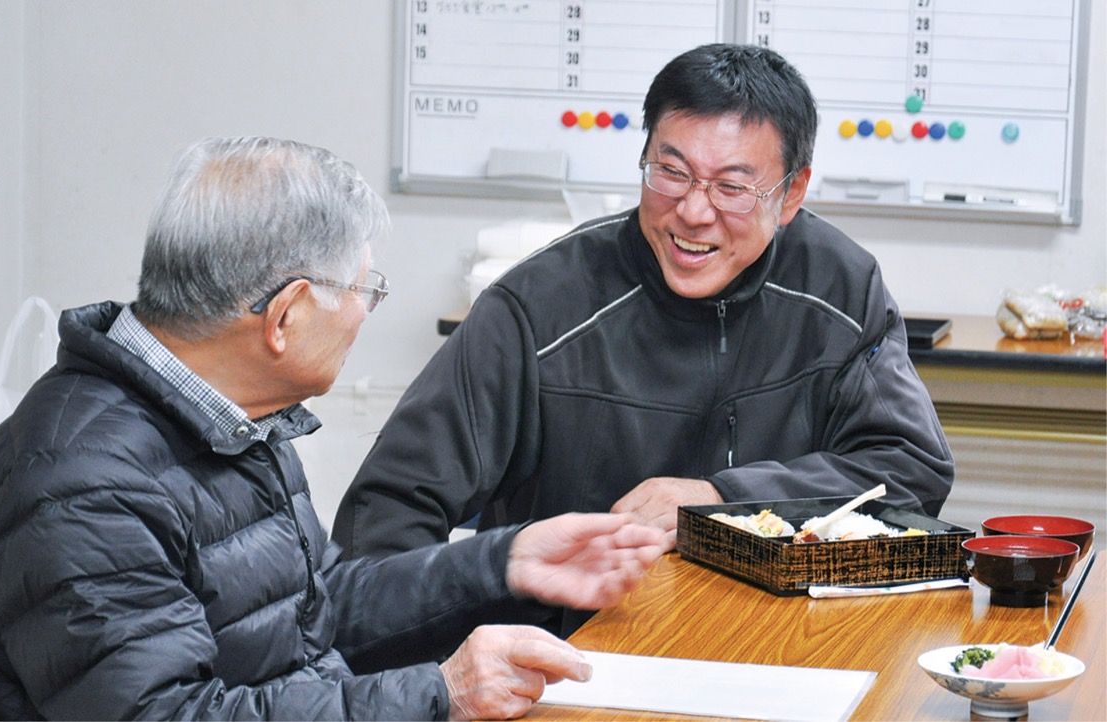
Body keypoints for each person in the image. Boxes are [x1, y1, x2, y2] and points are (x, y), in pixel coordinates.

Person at [0, 136, 668, 721]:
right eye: (365, 290)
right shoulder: (77, 487)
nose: (365, 312)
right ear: (285, 316)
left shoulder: (227, 414)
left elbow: (314, 608)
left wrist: (502, 562)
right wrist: (438, 693)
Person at [332, 43, 955, 634]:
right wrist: (444, 672)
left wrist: (723, 500)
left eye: (731, 187)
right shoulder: (540, 307)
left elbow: (910, 468)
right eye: (671, 172)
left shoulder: (839, 287)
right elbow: (385, 515)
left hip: (786, 641)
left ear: (791, 192)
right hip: (575, 652)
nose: (693, 212)